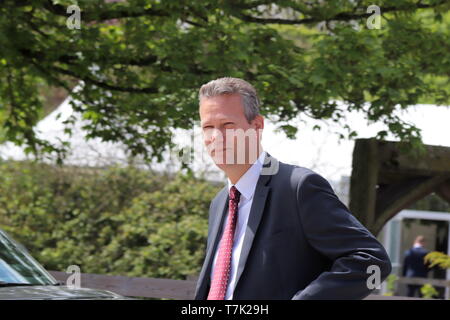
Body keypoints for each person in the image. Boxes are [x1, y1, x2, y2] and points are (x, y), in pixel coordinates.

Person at [194, 77, 392, 300]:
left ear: (257, 126)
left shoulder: (298, 188)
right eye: (207, 127)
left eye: (227, 125)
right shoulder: (220, 202)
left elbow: (374, 264)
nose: (215, 138)